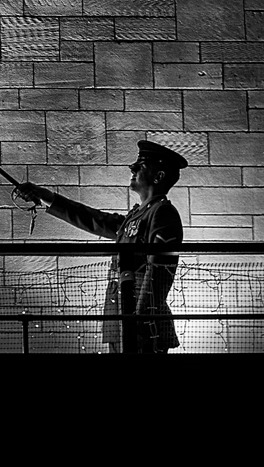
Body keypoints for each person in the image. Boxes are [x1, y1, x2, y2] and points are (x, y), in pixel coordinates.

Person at [15, 139, 188, 354]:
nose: (132, 169)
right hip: (122, 314)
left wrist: (140, 318)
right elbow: (93, 219)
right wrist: (44, 196)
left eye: (140, 166)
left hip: (142, 323)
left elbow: (159, 273)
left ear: (158, 176)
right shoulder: (137, 215)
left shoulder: (162, 213)